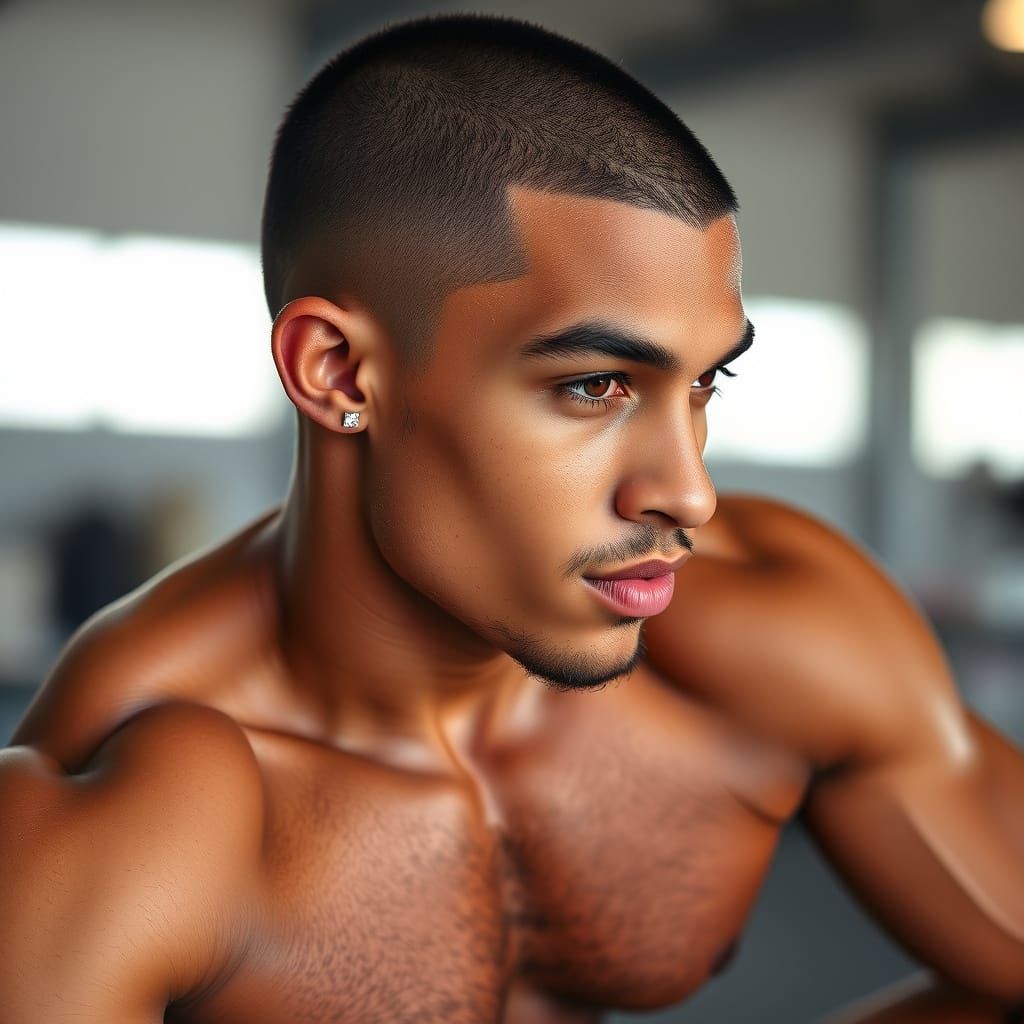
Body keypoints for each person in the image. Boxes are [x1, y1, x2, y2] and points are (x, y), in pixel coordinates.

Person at [1, 13, 1022, 1023]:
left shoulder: (773, 627)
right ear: (338, 372)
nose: (690, 493)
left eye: (706, 381)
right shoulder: (113, 807)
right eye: (593, 385)